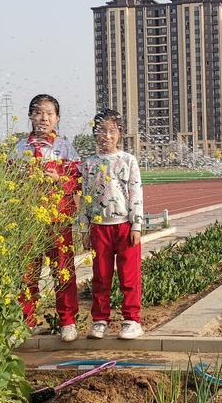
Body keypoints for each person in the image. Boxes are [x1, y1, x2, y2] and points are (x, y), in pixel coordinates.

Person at [12, 94, 82, 342]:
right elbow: (9, 183)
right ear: (30, 116)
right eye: (39, 112)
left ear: (57, 118)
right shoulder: (20, 148)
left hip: (58, 219)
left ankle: (67, 321)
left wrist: (59, 179)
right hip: (29, 220)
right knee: (27, 272)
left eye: (49, 113)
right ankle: (26, 321)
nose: (44, 118)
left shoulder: (65, 147)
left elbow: (78, 180)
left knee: (63, 271)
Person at [82, 109, 145, 340]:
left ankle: (132, 319)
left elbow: (135, 192)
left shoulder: (128, 160)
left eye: (111, 131)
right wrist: (84, 228)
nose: (106, 136)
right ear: (94, 134)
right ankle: (100, 320)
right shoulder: (88, 163)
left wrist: (136, 225)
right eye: (101, 131)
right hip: (99, 227)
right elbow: (84, 197)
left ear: (120, 134)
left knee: (129, 276)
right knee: (100, 276)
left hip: (124, 226)